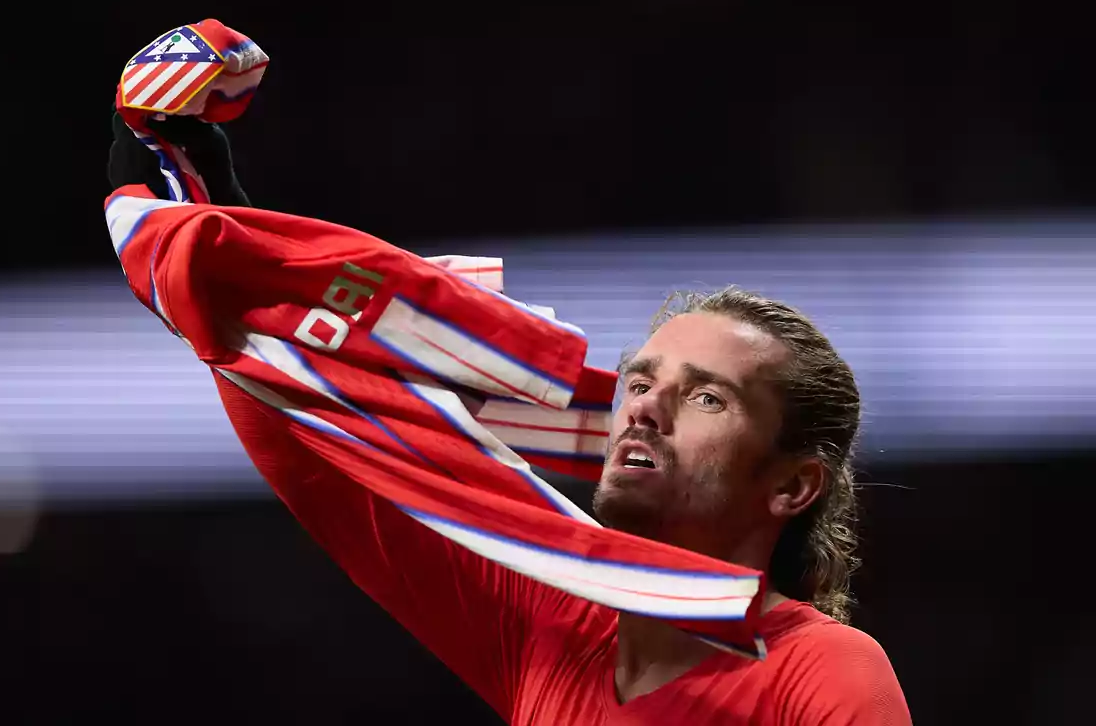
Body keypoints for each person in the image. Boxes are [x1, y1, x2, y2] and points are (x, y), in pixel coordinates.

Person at [108, 112, 912, 724]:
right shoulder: (552, 625)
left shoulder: (826, 672)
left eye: (707, 397)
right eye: (641, 381)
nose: (647, 408)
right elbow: (331, 459)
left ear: (792, 484)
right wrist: (238, 262)